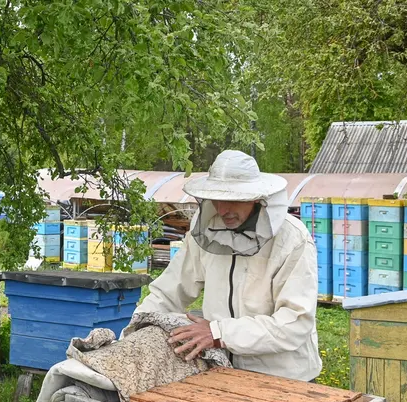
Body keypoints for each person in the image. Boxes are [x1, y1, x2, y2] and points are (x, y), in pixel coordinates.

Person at [133, 150, 322, 381]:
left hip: (284, 376)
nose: (222, 210)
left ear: (255, 197)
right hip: (222, 370)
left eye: (232, 199)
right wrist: (134, 327)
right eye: (216, 198)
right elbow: (169, 291)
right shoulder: (206, 229)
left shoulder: (292, 238)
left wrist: (219, 332)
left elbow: (294, 323)